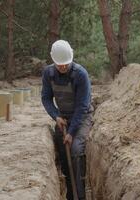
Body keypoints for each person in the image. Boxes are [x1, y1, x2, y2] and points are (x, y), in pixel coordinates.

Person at [41, 40, 93, 200]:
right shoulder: (48, 74)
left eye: (66, 64)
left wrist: (71, 133)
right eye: (59, 65)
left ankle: (80, 194)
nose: (63, 67)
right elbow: (46, 98)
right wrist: (56, 116)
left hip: (82, 117)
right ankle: (68, 190)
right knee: (63, 152)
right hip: (62, 118)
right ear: (53, 61)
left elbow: (82, 106)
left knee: (76, 149)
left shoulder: (80, 74)